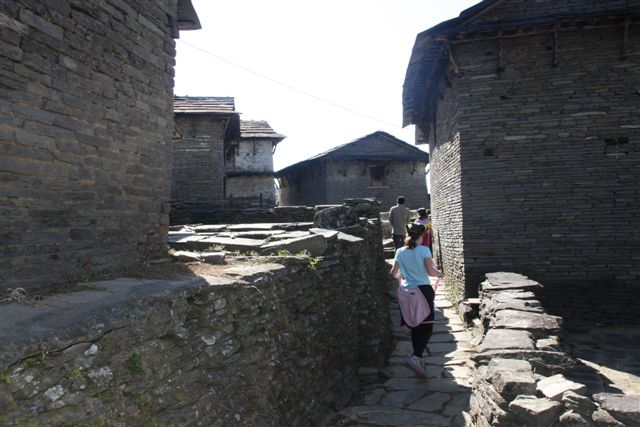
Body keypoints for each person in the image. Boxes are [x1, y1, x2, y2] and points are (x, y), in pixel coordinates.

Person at [390, 223, 444, 378]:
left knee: (415, 324)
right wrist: (439, 273)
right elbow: (430, 271)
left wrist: (405, 278)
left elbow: (394, 274)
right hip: (423, 290)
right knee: (426, 326)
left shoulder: (399, 251)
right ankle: (416, 357)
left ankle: (417, 358)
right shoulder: (424, 250)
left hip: (406, 291)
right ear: (421, 236)